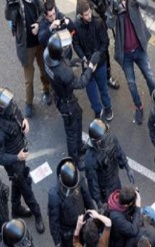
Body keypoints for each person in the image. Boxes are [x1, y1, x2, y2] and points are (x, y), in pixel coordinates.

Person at [44, 30, 99, 168]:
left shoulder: (47, 56)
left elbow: (61, 64)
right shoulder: (64, 73)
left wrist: (69, 63)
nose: (65, 50)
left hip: (59, 95)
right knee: (71, 131)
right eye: (62, 49)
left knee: (78, 116)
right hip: (67, 103)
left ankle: (80, 146)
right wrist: (90, 68)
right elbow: (81, 83)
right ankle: (74, 159)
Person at [0, 88, 45, 234]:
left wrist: (24, 121)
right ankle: (37, 214)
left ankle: (16, 208)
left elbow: (17, 113)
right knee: (26, 188)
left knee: (17, 182)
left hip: (20, 154)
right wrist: (17, 157)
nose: (11, 105)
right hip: (14, 163)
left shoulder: (9, 107)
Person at [111, 0, 155, 124]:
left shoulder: (132, 2)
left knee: (150, 77)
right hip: (125, 54)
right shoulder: (114, 5)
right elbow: (109, 23)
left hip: (139, 49)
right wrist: (112, 9)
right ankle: (139, 107)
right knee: (131, 84)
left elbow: (145, 4)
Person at [5, 0, 52, 117]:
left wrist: (38, 23)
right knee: (28, 80)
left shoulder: (36, 1)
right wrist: (8, 4)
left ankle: (46, 90)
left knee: (44, 70)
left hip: (40, 43)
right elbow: (8, 16)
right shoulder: (16, 3)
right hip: (26, 47)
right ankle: (29, 103)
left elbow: (43, 12)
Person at [74, 0, 113, 121]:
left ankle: (108, 107)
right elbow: (75, 44)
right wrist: (83, 58)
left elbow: (105, 42)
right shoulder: (76, 26)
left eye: (89, 12)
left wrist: (97, 58)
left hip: (99, 63)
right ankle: (97, 110)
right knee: (91, 92)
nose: (89, 16)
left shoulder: (98, 22)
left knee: (103, 88)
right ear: (80, 15)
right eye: (86, 14)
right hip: (87, 64)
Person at [84, 118, 135, 207]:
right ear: (97, 142)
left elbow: (119, 151)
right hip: (105, 189)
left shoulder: (110, 139)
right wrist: (99, 202)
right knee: (111, 210)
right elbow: (93, 183)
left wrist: (128, 168)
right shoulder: (90, 159)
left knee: (121, 204)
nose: (106, 141)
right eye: (103, 140)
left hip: (115, 179)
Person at [48, 158, 96, 247]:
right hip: (68, 232)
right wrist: (58, 242)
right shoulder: (54, 195)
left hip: (83, 222)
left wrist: (93, 217)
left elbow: (87, 198)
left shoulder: (78, 178)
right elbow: (54, 222)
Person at [89, 0, 120, 90]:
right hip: (90, 32)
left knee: (105, 53)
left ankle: (107, 76)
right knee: (93, 55)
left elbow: (106, 9)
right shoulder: (84, 3)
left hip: (102, 29)